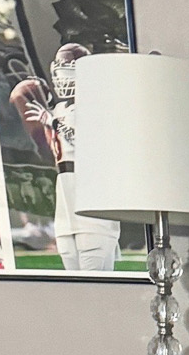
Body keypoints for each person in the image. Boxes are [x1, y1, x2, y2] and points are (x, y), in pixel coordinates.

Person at [10, 42, 121, 273]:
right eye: (60, 73)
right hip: (66, 198)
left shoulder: (98, 108)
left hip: (91, 198)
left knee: (96, 280)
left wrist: (52, 122)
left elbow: (88, 143)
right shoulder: (60, 109)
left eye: (69, 73)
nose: (63, 79)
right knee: (73, 274)